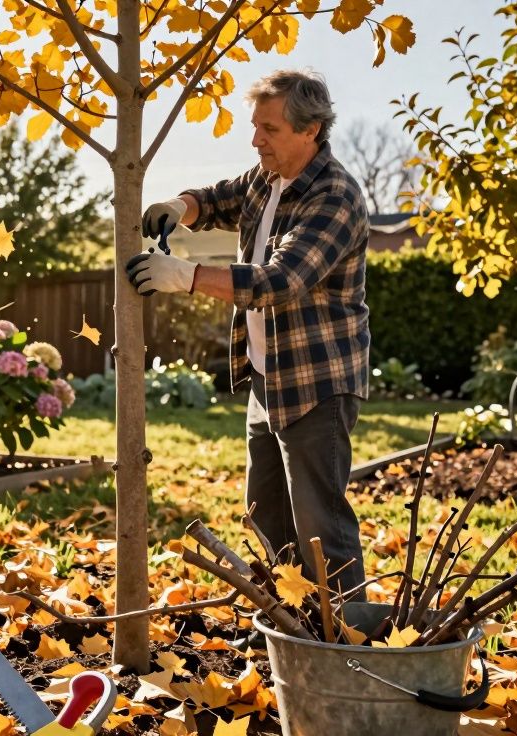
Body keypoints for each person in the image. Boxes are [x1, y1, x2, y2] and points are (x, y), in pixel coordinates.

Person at [126, 69, 370, 601]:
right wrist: (179, 207)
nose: (255, 139)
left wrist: (186, 277)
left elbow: (281, 282)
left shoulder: (335, 196)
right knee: (268, 520)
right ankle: (293, 625)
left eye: (270, 128)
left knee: (320, 526)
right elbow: (217, 198)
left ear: (311, 131)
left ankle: (352, 644)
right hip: (267, 377)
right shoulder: (268, 176)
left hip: (316, 384)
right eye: (255, 126)